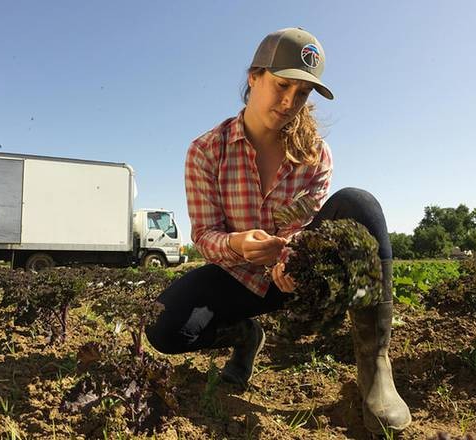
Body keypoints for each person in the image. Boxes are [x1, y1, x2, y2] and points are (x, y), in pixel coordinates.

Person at [145, 27, 411, 435]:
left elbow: (310, 224)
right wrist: (237, 243)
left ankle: (375, 367)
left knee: (359, 204)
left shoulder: (315, 155)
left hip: (295, 280)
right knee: (165, 328)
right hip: (236, 277)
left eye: (302, 94)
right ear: (254, 76)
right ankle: (246, 335)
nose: (289, 102)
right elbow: (204, 236)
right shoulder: (206, 151)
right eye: (282, 85)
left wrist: (294, 255)